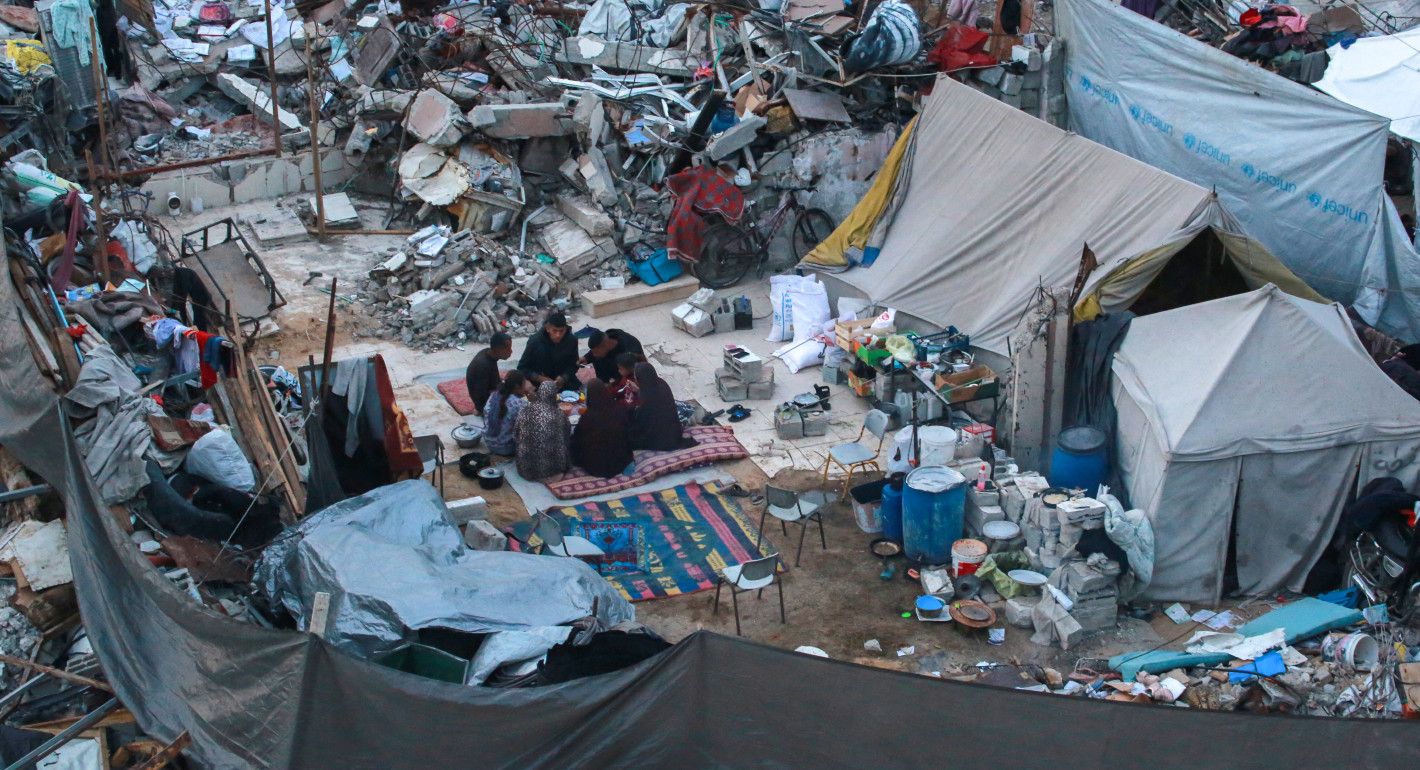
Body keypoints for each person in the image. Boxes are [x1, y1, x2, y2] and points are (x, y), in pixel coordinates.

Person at [571, 380, 634, 479]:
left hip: (595, 467)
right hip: (619, 462)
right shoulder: (619, 410)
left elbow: (577, 440)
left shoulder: (587, 417)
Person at [629, 362, 697, 451]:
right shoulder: (661, 383)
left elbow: (643, 421)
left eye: (636, 377)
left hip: (660, 440)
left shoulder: (646, 395)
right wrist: (638, 390)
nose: (635, 379)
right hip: (674, 433)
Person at [515, 381, 572, 480]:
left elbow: (516, 434)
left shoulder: (525, 410)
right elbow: (567, 436)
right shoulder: (559, 415)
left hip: (526, 468)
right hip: (553, 469)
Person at [517, 312, 579, 388]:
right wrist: (540, 378)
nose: (558, 335)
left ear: (566, 329)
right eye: (555, 331)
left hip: (563, 381)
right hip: (540, 383)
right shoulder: (535, 341)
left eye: (561, 331)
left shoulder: (572, 340)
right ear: (547, 328)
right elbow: (521, 368)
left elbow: (574, 365)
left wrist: (564, 377)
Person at [465, 332, 512, 416]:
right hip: (483, 404)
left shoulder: (488, 353)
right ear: (498, 349)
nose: (511, 351)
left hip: (489, 390)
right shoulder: (482, 365)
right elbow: (481, 397)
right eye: (507, 349)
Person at [483, 371, 528, 456]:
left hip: (488, 442)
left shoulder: (493, 395)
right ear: (517, 386)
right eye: (524, 384)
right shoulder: (518, 403)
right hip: (506, 448)